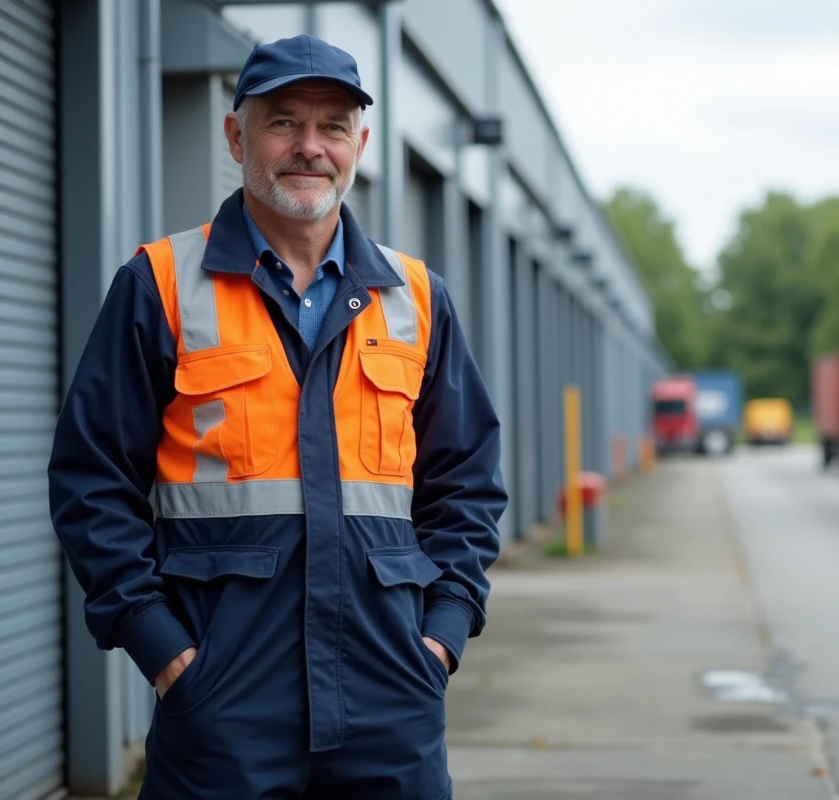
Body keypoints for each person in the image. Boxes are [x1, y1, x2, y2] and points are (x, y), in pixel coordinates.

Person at [48, 34, 505, 799]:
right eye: (283, 121)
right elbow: (91, 480)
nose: (309, 147)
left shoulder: (417, 298)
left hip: (391, 692)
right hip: (222, 700)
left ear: (359, 144)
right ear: (236, 136)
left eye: (331, 127)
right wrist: (163, 650)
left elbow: (467, 482)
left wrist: (442, 638)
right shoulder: (159, 284)